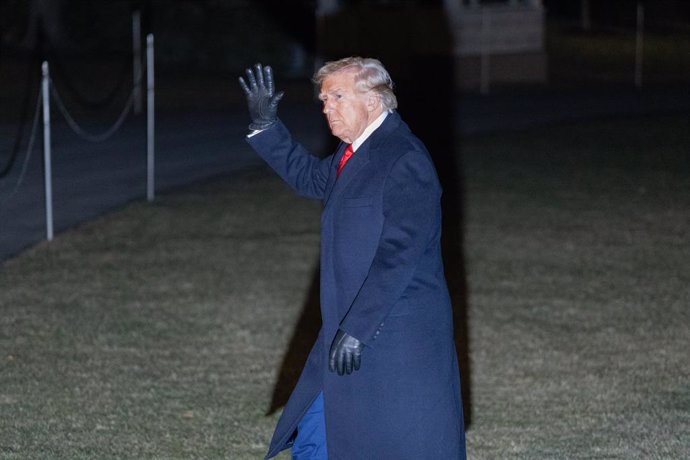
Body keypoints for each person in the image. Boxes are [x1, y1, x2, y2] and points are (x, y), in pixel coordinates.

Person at [239, 57, 466, 460]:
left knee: (389, 441)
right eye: (324, 99)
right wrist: (267, 127)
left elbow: (399, 253)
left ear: (375, 100)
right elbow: (309, 178)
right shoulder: (355, 152)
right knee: (319, 432)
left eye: (338, 96)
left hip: (393, 335)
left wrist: (358, 328)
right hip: (350, 330)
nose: (327, 107)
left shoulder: (403, 159)